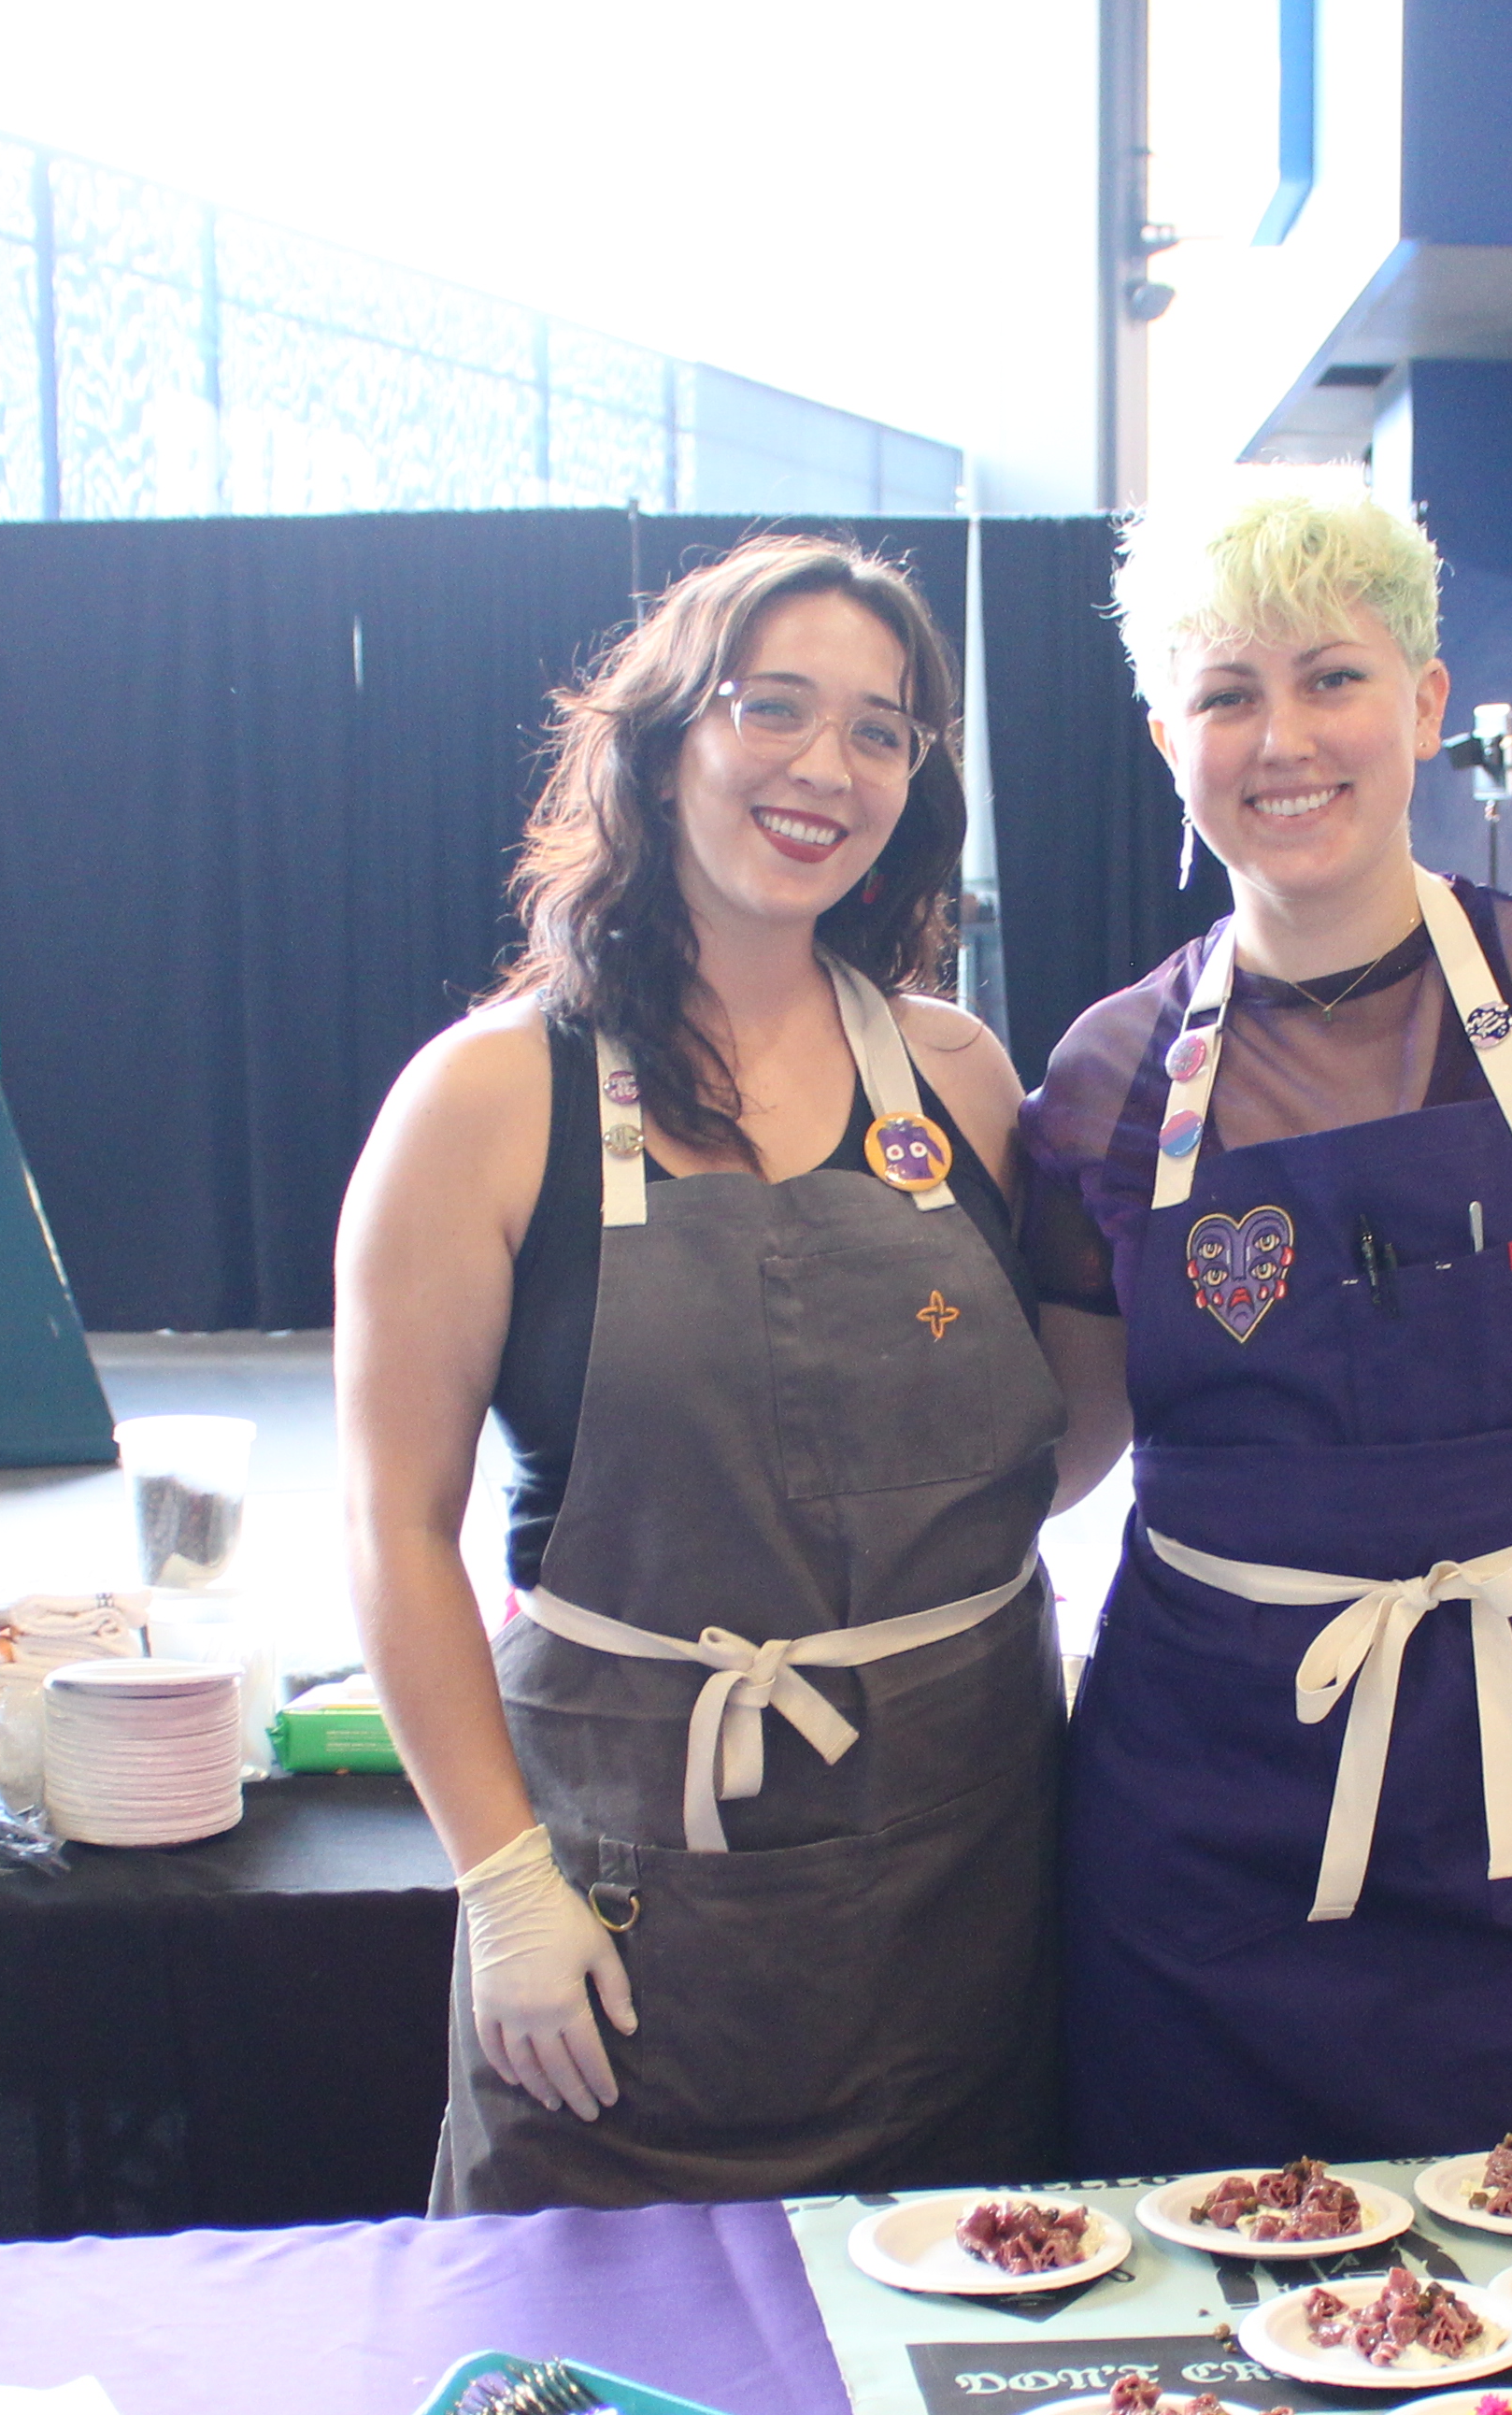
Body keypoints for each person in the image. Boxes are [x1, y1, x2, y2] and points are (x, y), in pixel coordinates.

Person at [1020, 478, 1512, 2169]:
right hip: (1210, 1833)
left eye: (1332, 677)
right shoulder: (1106, 1079)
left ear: (1428, 704)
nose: (1282, 737)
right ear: (1168, 736)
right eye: (1226, 694)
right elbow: (1063, 1451)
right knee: (1213, 2376)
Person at [339, 536, 1069, 2209]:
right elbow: (391, 1527)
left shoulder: (958, 1079)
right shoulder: (485, 1100)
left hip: (962, 1891)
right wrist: (503, 1883)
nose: (827, 768)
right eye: (775, 709)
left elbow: (1047, 1430)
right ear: (666, 742)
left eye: (882, 731)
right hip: (623, 1916)